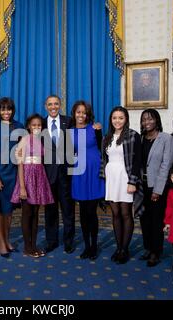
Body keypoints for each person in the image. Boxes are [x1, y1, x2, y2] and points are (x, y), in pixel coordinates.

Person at [101, 106, 142, 264]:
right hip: (112, 178)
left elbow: (137, 161)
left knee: (126, 214)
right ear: (111, 120)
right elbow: (104, 159)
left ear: (126, 119)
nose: (117, 121)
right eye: (114, 118)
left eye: (121, 118)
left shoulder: (133, 135)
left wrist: (133, 181)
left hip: (126, 177)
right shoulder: (107, 137)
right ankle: (118, 247)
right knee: (115, 213)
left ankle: (125, 249)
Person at [11, 114, 54, 258]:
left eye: (39, 125)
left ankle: (34, 245)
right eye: (34, 125)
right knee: (27, 213)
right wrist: (22, 187)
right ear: (28, 126)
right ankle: (27, 247)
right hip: (27, 177)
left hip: (39, 177)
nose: (37, 127)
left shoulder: (41, 140)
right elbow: (20, 164)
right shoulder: (24, 139)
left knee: (36, 214)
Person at [0, 97, 25, 258]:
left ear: (12, 110)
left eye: (8, 109)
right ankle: (1, 242)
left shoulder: (19, 126)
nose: (6, 112)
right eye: (3, 109)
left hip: (13, 172)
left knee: (9, 210)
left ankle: (7, 239)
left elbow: (21, 153)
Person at [139, 109, 173, 267]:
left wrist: (158, 190)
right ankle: (147, 247)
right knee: (144, 218)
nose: (147, 122)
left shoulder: (166, 138)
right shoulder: (140, 139)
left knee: (156, 220)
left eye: (150, 119)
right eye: (144, 120)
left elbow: (166, 165)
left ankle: (156, 251)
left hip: (156, 186)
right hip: (142, 185)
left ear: (157, 120)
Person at [70, 101, 105, 260]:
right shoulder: (69, 132)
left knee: (92, 212)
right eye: (78, 112)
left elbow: (102, 150)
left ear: (88, 114)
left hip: (94, 173)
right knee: (83, 213)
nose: (81, 115)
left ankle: (94, 246)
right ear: (74, 113)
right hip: (79, 173)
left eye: (84, 112)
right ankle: (87, 246)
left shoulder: (95, 129)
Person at [42, 95, 76, 254]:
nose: (53, 107)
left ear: (60, 105)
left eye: (56, 104)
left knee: (68, 210)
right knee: (50, 211)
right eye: (50, 104)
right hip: (48, 175)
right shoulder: (40, 124)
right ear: (45, 106)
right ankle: (52, 241)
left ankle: (69, 241)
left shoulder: (69, 121)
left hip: (65, 175)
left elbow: (79, 139)